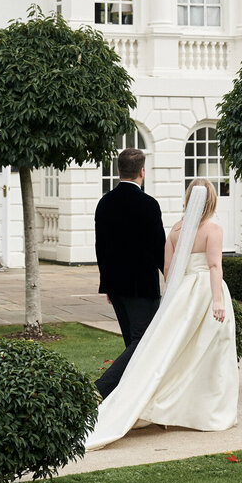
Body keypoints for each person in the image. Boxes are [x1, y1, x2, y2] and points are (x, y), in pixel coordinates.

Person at [86, 178, 239, 450]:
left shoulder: (176, 231)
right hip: (205, 292)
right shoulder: (213, 230)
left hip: (183, 294)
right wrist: (217, 301)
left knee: (173, 350)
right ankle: (207, 408)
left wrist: (175, 299)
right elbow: (215, 266)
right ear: (211, 200)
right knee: (209, 348)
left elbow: (169, 270)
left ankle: (165, 405)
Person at [94, 148, 166, 400]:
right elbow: (160, 248)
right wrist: (170, 276)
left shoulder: (104, 203)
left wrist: (108, 284)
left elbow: (100, 247)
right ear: (142, 171)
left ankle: (130, 399)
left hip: (115, 285)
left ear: (118, 170)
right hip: (142, 287)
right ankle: (100, 389)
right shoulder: (149, 204)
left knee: (133, 344)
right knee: (143, 342)